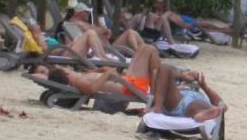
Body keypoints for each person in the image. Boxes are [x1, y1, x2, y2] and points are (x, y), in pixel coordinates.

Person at [32, 42, 161, 100]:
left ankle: (156, 87)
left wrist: (99, 69)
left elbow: (101, 79)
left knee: (143, 47)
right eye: (66, 69)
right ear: (66, 74)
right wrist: (107, 73)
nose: (69, 69)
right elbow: (92, 89)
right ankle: (155, 92)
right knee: (150, 49)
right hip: (132, 86)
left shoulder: (81, 78)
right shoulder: (80, 82)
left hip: (128, 81)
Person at [153, 63, 225, 123]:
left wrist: (204, 86)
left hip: (197, 103)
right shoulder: (173, 85)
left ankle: (201, 114)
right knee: (164, 67)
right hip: (178, 99)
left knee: (198, 105)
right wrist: (182, 76)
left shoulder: (198, 94)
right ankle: (157, 110)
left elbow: (222, 106)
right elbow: (162, 72)